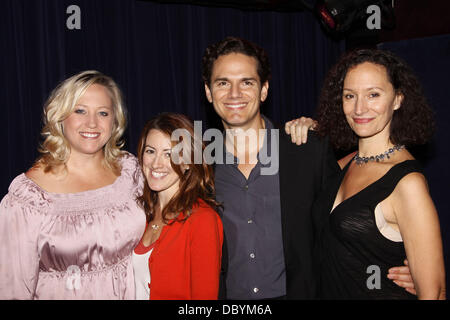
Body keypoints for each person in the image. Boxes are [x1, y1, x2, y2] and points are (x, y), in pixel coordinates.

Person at [201, 36, 416, 300]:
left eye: (247, 82)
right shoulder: (198, 165)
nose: (234, 94)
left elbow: (352, 219)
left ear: (264, 89)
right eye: (223, 83)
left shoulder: (306, 149)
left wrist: (401, 264)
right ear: (209, 92)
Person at [305, 49, 445, 299]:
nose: (359, 108)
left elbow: (434, 293)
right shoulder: (347, 164)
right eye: (350, 95)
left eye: (373, 94)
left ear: (398, 99)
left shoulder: (407, 183)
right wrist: (302, 129)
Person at [0, 70, 146, 299]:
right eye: (80, 111)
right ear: (60, 117)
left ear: (115, 121)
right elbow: (12, 289)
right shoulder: (29, 197)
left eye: (103, 113)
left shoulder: (131, 172)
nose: (92, 123)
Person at [132, 112, 223, 300]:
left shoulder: (202, 220)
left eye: (169, 154)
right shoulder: (138, 215)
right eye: (150, 151)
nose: (157, 163)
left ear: (188, 162)